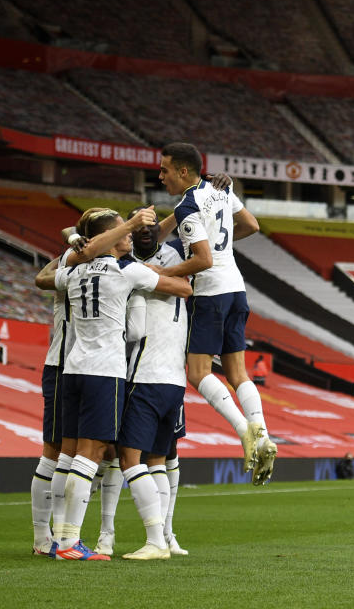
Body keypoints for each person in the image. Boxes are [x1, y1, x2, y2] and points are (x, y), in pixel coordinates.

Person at [38, 209, 191, 560]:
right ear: (111, 236)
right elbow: (182, 288)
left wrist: (76, 248)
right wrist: (154, 277)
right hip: (105, 371)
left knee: (71, 452)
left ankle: (60, 539)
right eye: (123, 232)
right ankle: (68, 543)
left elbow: (45, 278)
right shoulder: (128, 271)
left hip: (72, 367)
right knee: (91, 455)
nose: (129, 237)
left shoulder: (73, 270)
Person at [154, 143, 276, 485]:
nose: (160, 176)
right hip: (236, 288)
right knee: (238, 373)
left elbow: (203, 260)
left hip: (210, 293)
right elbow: (250, 224)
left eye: (164, 170)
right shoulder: (220, 189)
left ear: (182, 171)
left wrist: (165, 275)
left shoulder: (188, 205)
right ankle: (263, 435)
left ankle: (244, 432)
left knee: (197, 372)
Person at [113, 207, 193, 560]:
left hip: (144, 374)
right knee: (158, 459)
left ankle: (155, 541)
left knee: (129, 458)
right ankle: (163, 535)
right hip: (175, 378)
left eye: (151, 228)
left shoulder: (131, 268)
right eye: (138, 228)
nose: (144, 233)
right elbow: (187, 285)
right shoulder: (178, 257)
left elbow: (135, 331)